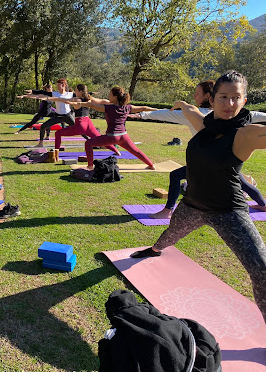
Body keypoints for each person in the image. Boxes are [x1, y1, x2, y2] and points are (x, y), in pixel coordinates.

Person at [130, 71, 266, 325]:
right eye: (223, 97)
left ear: (244, 100)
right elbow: (189, 108)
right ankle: (155, 250)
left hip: (229, 212)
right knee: (169, 235)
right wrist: (180, 104)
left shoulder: (245, 134)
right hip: (191, 205)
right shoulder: (202, 124)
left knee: (262, 269)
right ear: (211, 100)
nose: (230, 104)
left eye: (237, 98)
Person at [137, 81, 266, 219]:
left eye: (197, 93)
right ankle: (263, 205)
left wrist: (142, 115)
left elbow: (168, 114)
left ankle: (168, 210)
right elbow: (257, 115)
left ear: (208, 96)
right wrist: (182, 104)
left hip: (205, 162)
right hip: (227, 162)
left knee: (176, 176)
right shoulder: (236, 115)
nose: (194, 96)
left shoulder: (199, 114)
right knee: (241, 182)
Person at [70, 86, 157, 170]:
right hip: (124, 136)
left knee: (88, 143)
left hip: (112, 137)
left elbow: (92, 105)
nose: (109, 97)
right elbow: (143, 108)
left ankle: (90, 166)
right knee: (136, 151)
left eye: (110, 95)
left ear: (115, 97)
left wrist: (80, 103)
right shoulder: (127, 107)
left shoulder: (109, 108)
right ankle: (151, 165)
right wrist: (159, 110)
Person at [49, 84, 120, 154]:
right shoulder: (89, 99)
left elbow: (69, 101)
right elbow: (102, 101)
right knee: (100, 139)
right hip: (88, 123)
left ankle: (55, 153)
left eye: (76, 90)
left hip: (80, 125)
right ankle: (116, 151)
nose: (75, 92)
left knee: (58, 133)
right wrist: (114, 103)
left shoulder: (77, 99)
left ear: (80, 92)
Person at [22, 78, 76, 147]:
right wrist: (32, 91)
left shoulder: (70, 94)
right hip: (58, 116)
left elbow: (82, 95)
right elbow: (44, 93)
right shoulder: (55, 94)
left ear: (64, 85)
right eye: (57, 86)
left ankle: (90, 140)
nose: (57, 87)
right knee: (43, 126)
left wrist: (90, 95)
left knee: (79, 128)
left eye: (59, 86)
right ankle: (40, 143)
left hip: (67, 116)